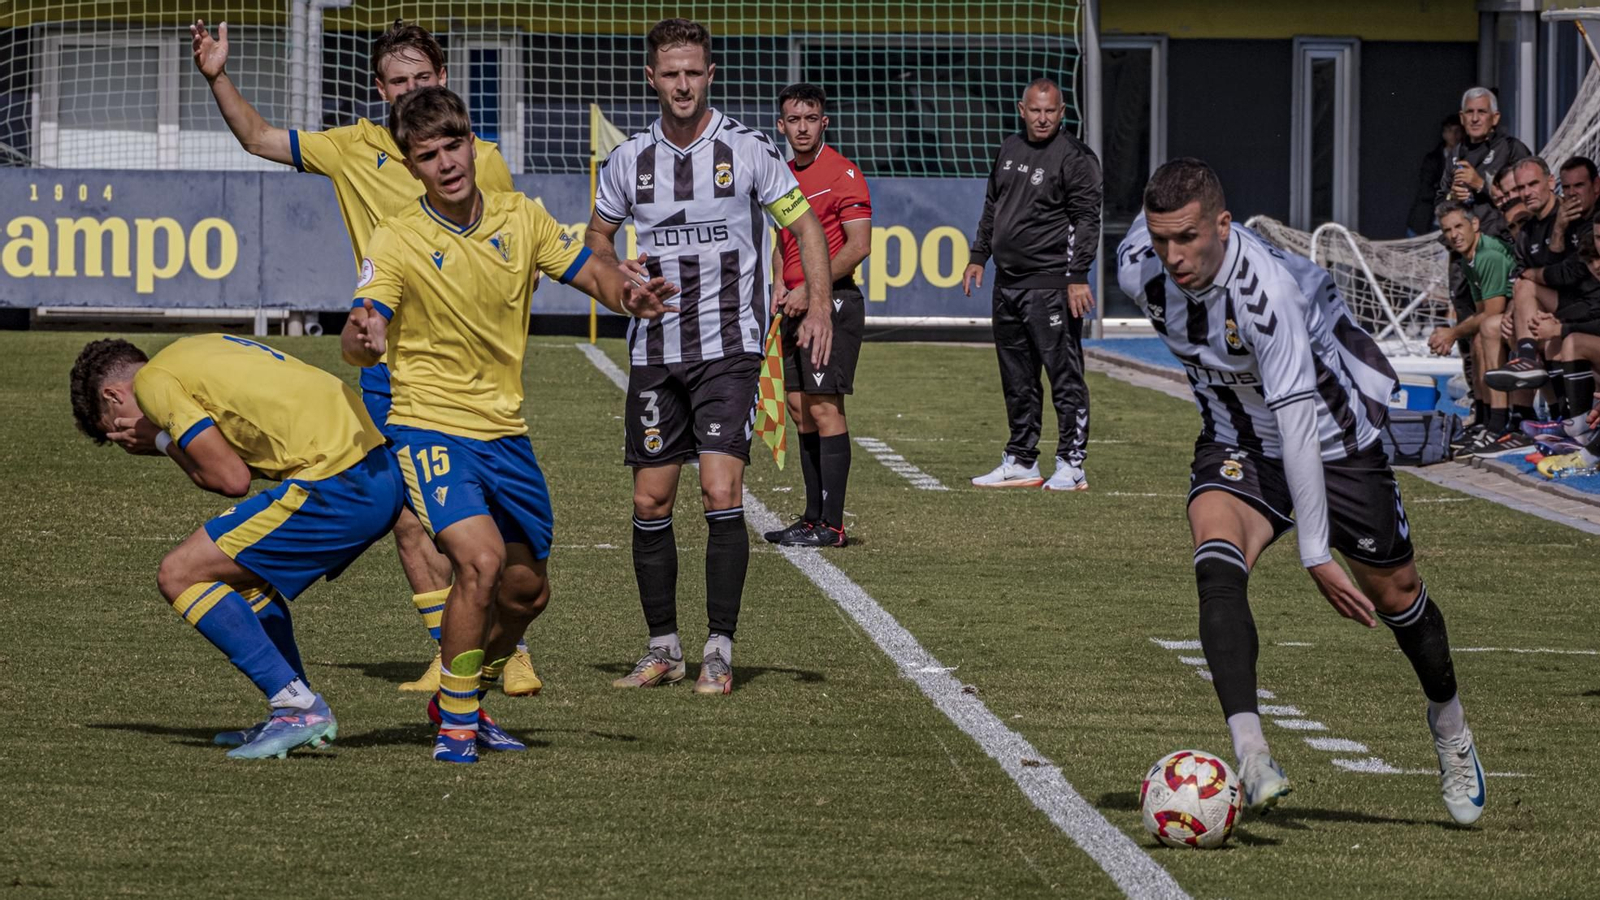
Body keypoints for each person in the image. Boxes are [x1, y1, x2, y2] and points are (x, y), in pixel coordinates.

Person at [1117, 158, 1484, 825]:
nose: (1172, 256)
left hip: (1331, 437)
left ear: (1223, 227)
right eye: (1161, 238)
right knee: (1216, 558)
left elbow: (1297, 424)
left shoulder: (1267, 292)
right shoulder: (1136, 262)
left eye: (1188, 239)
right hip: (1236, 438)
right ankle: (1251, 754)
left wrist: (1316, 551)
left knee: (1398, 596)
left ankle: (1450, 725)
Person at [190, 18, 540, 696]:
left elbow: (510, 249)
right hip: (386, 363)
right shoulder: (352, 148)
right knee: (409, 518)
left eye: (421, 78)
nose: (410, 89)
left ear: (441, 78)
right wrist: (216, 77)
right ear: (381, 89)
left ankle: (508, 645)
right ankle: (452, 655)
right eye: (397, 81)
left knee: (482, 520)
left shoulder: (482, 157)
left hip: (465, 371)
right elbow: (259, 138)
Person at [342, 86, 677, 762]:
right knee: (483, 562)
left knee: (526, 593)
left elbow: (592, 271)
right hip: (430, 427)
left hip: (505, 434)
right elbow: (366, 320)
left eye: (452, 146)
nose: (445, 163)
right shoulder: (398, 236)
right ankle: (458, 726)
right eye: (427, 155)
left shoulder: (521, 218)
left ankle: (463, 693)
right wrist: (362, 335)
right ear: (411, 167)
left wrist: (629, 294)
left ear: (473, 144)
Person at [585, 18, 836, 695]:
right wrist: (619, 279)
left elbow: (804, 222)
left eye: (694, 72)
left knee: (721, 491)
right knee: (650, 498)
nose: (684, 84)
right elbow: (597, 243)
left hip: (730, 348)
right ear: (652, 79)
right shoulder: (628, 161)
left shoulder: (748, 149)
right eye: (671, 74)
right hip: (654, 351)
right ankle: (662, 647)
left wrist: (816, 303)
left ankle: (719, 648)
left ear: (710, 74)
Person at [69, 335, 405, 759]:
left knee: (179, 573)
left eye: (115, 425)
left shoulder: (154, 382)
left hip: (340, 481)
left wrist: (156, 439)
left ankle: (296, 709)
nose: (125, 434)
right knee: (236, 572)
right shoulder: (195, 349)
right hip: (374, 468)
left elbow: (230, 479)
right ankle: (293, 702)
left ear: (113, 395)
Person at [963, 77, 1102, 491]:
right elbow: (994, 205)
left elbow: (1086, 220)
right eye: (1035, 110)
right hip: (1007, 284)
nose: (1042, 118)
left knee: (1064, 375)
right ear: (1022, 110)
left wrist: (1076, 277)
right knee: (1017, 377)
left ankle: (1072, 463)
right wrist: (978, 255)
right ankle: (1022, 460)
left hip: (1051, 285)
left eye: (1050, 111)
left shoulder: (1076, 158)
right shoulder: (1009, 148)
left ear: (1062, 114)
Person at [761, 82, 872, 549]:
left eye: (811, 119)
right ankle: (811, 518)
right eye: (794, 119)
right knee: (798, 409)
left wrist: (811, 289)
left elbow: (858, 245)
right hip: (793, 306)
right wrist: (780, 285)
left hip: (834, 304)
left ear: (824, 122)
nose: (802, 127)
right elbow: (782, 245)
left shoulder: (843, 173)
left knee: (826, 408)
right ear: (781, 125)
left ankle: (833, 524)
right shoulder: (782, 176)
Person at [1429, 203, 1513, 442]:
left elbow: (1492, 312)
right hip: (1502, 319)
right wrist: (1453, 333)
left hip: (1521, 320)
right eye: (1447, 230)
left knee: (1486, 332)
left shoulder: (1488, 255)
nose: (1454, 235)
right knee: (1477, 339)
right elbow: (1481, 311)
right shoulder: (1469, 260)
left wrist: (1451, 333)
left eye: (1458, 226)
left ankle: (1498, 423)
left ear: (1474, 224)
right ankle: (1484, 417)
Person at [1408, 116, 1465, 236]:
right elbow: (1425, 190)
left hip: (1457, 220)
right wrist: (1449, 194)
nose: (1453, 135)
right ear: (1444, 134)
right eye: (1449, 131)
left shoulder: (1467, 158)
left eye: (1457, 131)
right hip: (1429, 221)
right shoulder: (1433, 160)